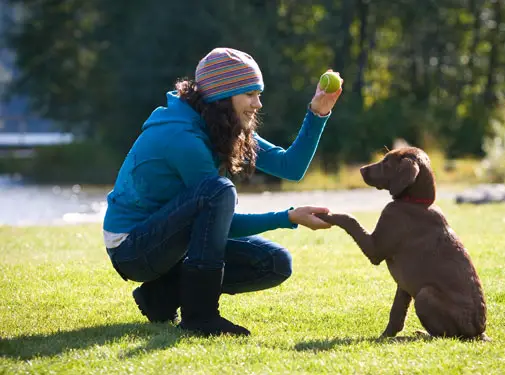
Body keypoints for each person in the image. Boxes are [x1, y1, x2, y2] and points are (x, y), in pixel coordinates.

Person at [103, 47, 343, 336]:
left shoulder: (222, 125)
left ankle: (161, 296)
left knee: (274, 263)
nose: (258, 103)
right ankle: (200, 316)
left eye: (258, 93)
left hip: (168, 243)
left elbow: (290, 167)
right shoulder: (183, 137)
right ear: (222, 97)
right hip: (133, 248)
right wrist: (287, 217)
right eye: (250, 94)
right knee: (218, 191)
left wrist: (319, 112)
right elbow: (220, 220)